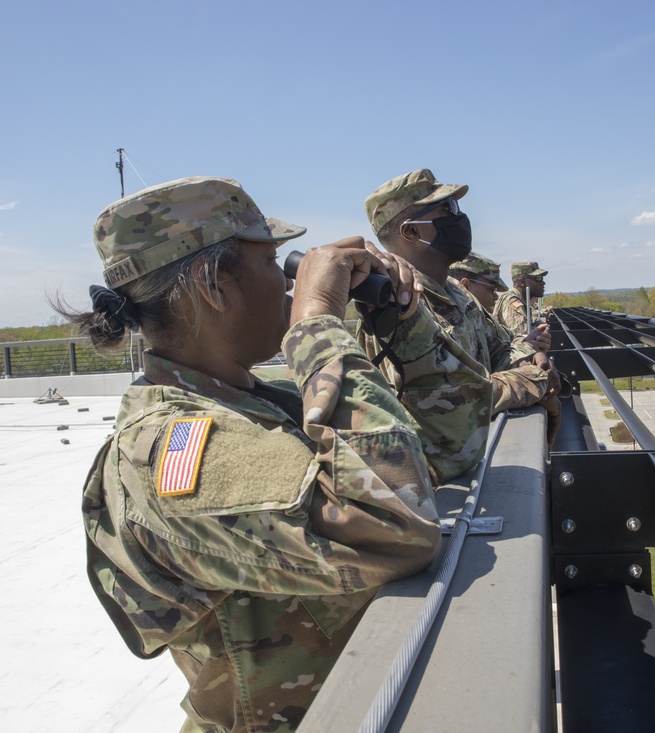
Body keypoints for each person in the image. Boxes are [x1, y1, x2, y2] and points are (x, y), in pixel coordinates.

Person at [64, 177, 440, 732]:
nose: (290, 286)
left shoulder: (264, 403)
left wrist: (399, 324)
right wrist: (317, 321)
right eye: (274, 265)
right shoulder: (171, 448)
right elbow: (393, 523)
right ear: (215, 284)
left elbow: (446, 451)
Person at [360, 169, 561, 482]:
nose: (460, 217)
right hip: (437, 491)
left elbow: (501, 349)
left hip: (476, 468)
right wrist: (536, 378)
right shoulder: (398, 303)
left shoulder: (457, 292)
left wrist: (527, 354)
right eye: (448, 208)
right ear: (411, 232)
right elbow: (459, 407)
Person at [449, 251, 551, 352]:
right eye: (492, 289)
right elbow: (518, 332)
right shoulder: (452, 326)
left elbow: (505, 344)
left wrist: (527, 343)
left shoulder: (477, 319)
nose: (496, 297)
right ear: (465, 285)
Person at [495, 261, 548, 337]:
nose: (543, 283)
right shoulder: (512, 302)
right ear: (521, 282)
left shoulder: (519, 301)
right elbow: (521, 337)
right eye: (538, 278)